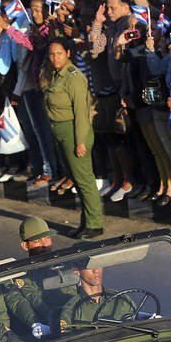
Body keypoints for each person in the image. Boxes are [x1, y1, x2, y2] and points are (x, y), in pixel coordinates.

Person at [42, 38, 104, 237]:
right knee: (77, 180)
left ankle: (95, 224)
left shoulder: (73, 76)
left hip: (74, 131)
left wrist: (80, 141)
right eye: (52, 54)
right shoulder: (56, 75)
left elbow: (82, 112)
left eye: (59, 53)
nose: (55, 57)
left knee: (84, 179)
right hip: (60, 129)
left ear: (68, 53)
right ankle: (86, 222)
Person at [58, 259, 136, 331]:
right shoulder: (71, 310)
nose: (96, 270)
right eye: (89, 267)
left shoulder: (122, 300)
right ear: (76, 271)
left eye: (98, 264)